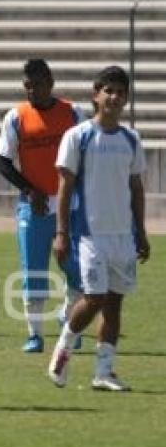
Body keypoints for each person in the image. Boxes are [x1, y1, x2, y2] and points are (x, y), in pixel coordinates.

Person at [48, 66, 149, 392]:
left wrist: (141, 231)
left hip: (123, 235)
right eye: (109, 91)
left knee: (115, 302)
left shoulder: (131, 140)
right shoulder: (78, 136)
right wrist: (61, 232)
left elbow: (136, 188)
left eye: (121, 92)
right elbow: (64, 186)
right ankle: (63, 348)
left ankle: (104, 371)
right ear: (96, 94)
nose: (115, 97)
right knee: (93, 297)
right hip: (89, 234)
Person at [0, 59, 84, 353]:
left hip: (69, 205)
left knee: (77, 269)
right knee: (34, 271)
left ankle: (67, 318)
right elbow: (3, 162)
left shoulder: (73, 114)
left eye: (37, 85)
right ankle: (34, 334)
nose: (32, 91)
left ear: (51, 83)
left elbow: (87, 155)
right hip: (32, 207)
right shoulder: (16, 117)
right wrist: (29, 190)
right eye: (27, 86)